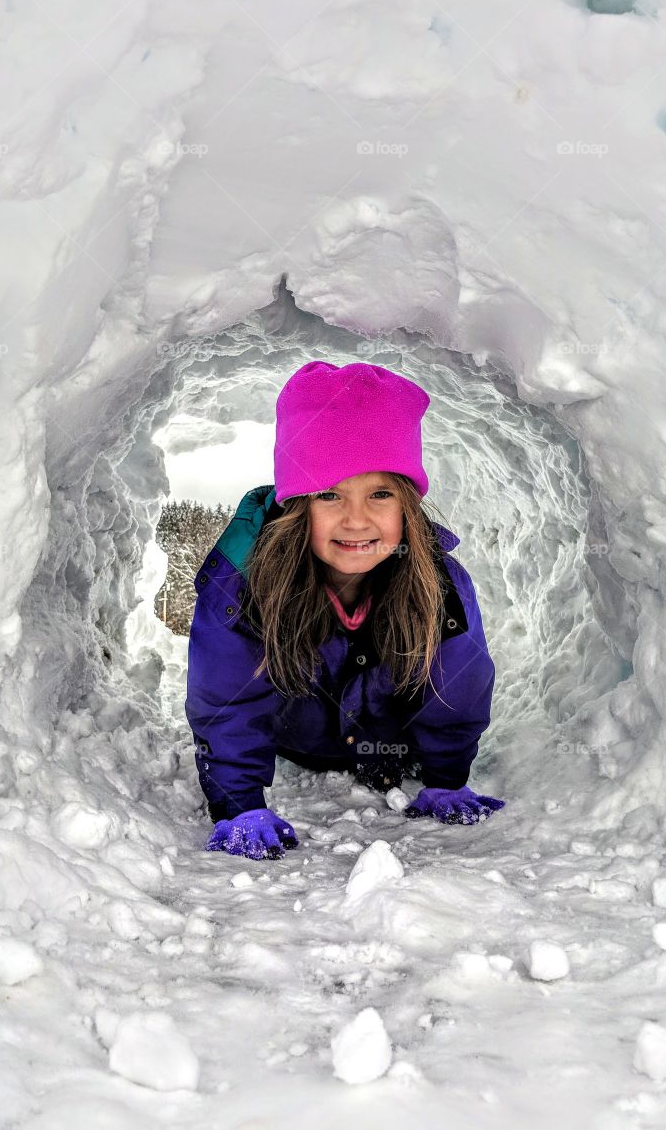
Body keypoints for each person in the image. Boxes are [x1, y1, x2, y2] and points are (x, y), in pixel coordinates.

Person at [185, 359, 505, 860]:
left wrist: (445, 779)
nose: (357, 521)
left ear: (407, 506)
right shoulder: (244, 584)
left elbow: (459, 687)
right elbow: (226, 700)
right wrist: (238, 804)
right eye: (330, 494)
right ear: (298, 507)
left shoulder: (439, 583)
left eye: (380, 493)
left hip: (394, 749)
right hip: (297, 740)